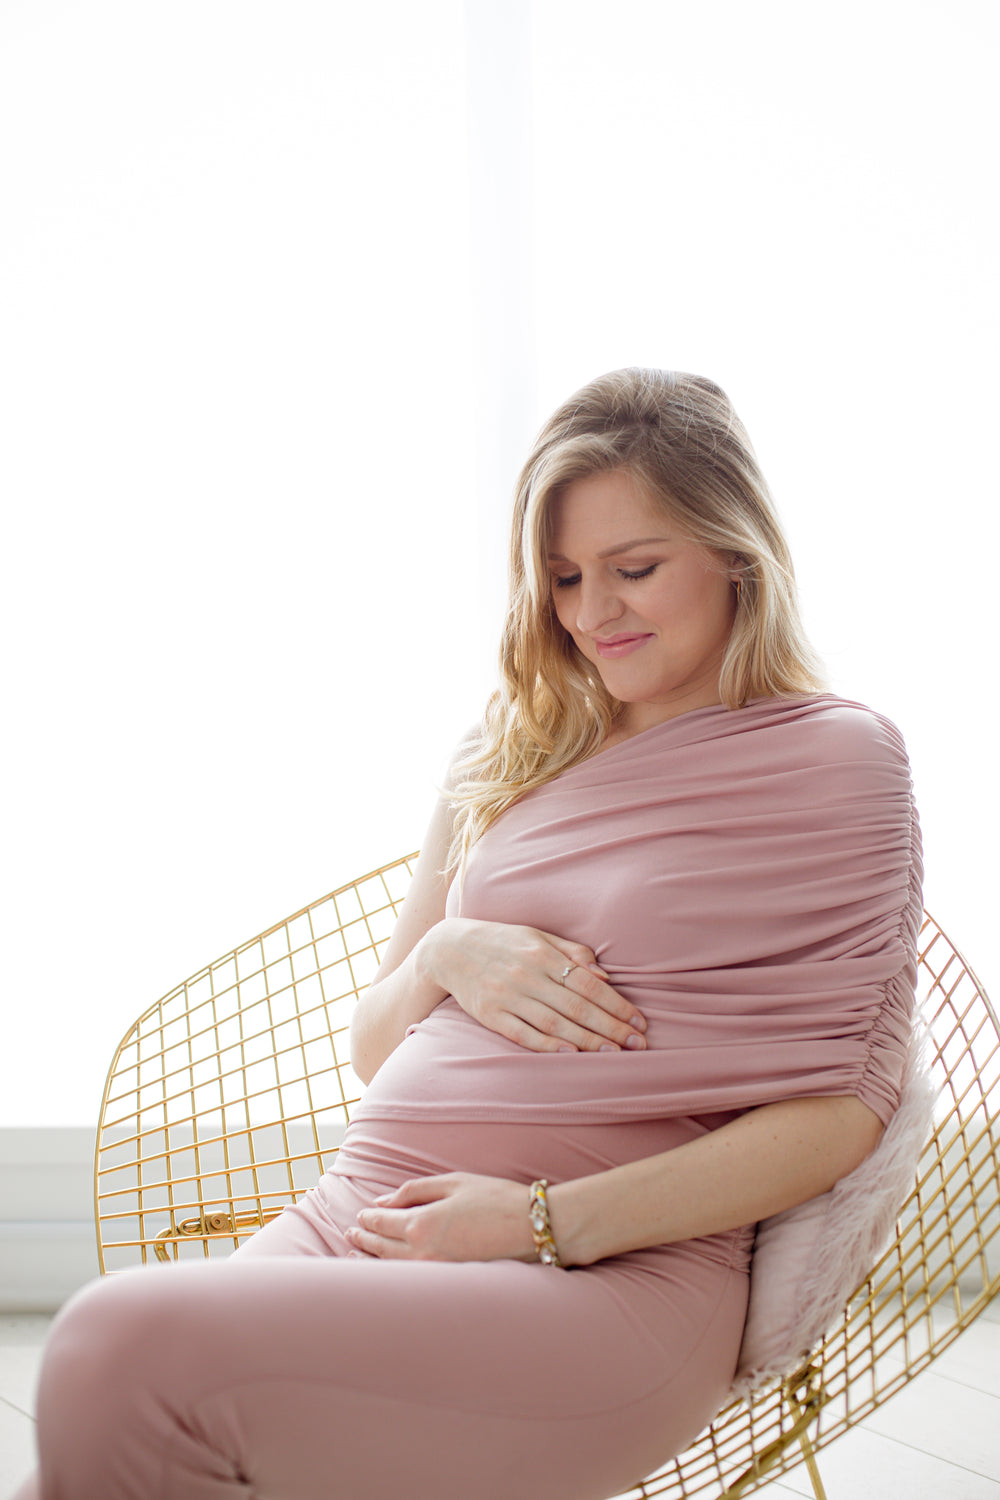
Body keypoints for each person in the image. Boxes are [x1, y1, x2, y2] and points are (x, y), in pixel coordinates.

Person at [12, 369, 921, 1500]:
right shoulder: (514, 745)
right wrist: (447, 952)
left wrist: (538, 1222)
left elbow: (839, 1115)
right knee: (121, 1425)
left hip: (600, 1279)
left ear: (734, 552)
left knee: (117, 1349)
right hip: (364, 1211)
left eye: (634, 570)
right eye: (563, 579)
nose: (593, 614)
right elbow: (375, 1047)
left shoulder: (835, 761)